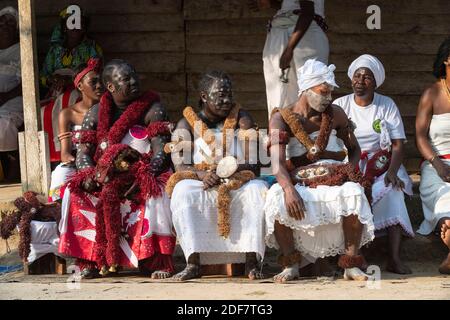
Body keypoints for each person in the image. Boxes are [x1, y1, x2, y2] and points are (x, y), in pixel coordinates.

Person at [58, 59, 175, 279]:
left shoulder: (153, 108)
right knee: (74, 193)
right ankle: (90, 262)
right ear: (111, 87)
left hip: (143, 173)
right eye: (126, 79)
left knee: (156, 193)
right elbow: (83, 153)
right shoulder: (95, 112)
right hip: (104, 177)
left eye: (134, 76)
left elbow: (162, 152)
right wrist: (91, 176)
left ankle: (152, 261)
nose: (133, 81)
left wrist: (141, 175)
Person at [264, 59, 375, 283]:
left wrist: (349, 172)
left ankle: (351, 265)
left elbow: (354, 149)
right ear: (306, 89)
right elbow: (276, 162)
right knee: (276, 197)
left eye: (331, 93)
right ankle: (291, 264)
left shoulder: (336, 114)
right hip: (300, 177)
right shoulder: (280, 118)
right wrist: (288, 189)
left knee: (353, 192)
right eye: (323, 92)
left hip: (335, 175)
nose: (328, 98)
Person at [167, 71, 268, 281]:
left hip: (238, 178)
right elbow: (179, 165)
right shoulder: (186, 123)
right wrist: (203, 174)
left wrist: (231, 169)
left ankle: (251, 260)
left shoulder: (242, 118)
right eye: (220, 95)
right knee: (183, 192)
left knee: (257, 191)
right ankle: (193, 262)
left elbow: (255, 164)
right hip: (202, 179)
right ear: (204, 96)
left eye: (229, 94)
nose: (226, 100)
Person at [333, 54, 414, 274]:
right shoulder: (340, 105)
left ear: (375, 82)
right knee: (354, 195)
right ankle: (359, 256)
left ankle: (394, 258)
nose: (360, 80)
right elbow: (331, 142)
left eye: (367, 77)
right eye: (357, 75)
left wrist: (392, 172)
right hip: (350, 164)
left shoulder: (386, 105)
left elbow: (397, 144)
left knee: (393, 191)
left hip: (383, 164)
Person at [256, 0, 329, 116]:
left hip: (304, 37)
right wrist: (271, 4)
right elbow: (292, 5)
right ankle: (279, 131)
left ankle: (309, 132)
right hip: (283, 33)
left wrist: (289, 49)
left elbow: (307, 11)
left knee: (310, 95)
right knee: (280, 94)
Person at [415, 36, 450, 274]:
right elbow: (420, 136)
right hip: (437, 167)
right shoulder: (432, 94)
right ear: (447, 60)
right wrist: (438, 166)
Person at [48, 58, 104, 201]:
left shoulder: (108, 112)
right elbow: (65, 154)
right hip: (75, 165)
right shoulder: (68, 114)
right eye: (93, 82)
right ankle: (57, 212)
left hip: (103, 164)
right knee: (60, 175)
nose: (99, 86)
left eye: (100, 81)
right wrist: (82, 164)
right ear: (80, 86)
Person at [40, 5, 103, 98]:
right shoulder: (54, 50)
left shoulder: (92, 49)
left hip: (82, 94)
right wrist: (52, 80)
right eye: (72, 22)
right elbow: (43, 75)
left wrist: (70, 80)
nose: (76, 27)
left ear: (84, 28)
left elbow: (97, 74)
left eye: (80, 23)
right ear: (64, 27)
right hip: (56, 93)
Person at [0, 7, 22, 181]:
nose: (5, 25)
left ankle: (13, 161)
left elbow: (28, 81)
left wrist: (5, 96)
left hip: (14, 98)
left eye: (11, 22)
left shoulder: (22, 50)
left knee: (4, 120)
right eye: (2, 21)